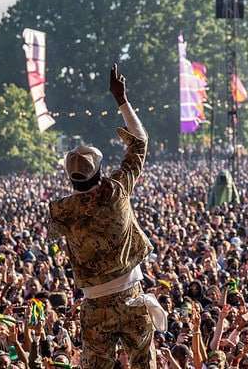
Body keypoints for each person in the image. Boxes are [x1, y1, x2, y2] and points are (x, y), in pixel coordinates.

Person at [49, 63, 163, 368]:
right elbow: (140, 143)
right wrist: (121, 100)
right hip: (130, 294)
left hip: (94, 303)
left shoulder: (61, 210)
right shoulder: (115, 191)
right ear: (100, 172)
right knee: (142, 362)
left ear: (70, 177)